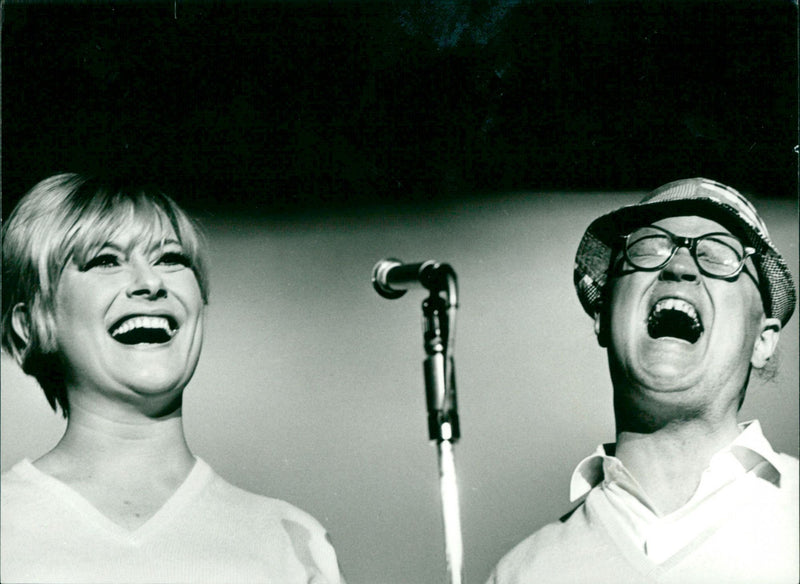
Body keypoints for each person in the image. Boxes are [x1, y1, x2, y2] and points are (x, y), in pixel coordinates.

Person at [1, 173, 345, 584]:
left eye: (170, 258)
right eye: (106, 260)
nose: (151, 283)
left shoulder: (291, 541)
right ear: (31, 324)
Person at [486, 178, 798, 584]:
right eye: (648, 247)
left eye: (720, 255)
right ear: (603, 314)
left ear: (763, 339)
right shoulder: (521, 574)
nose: (679, 267)